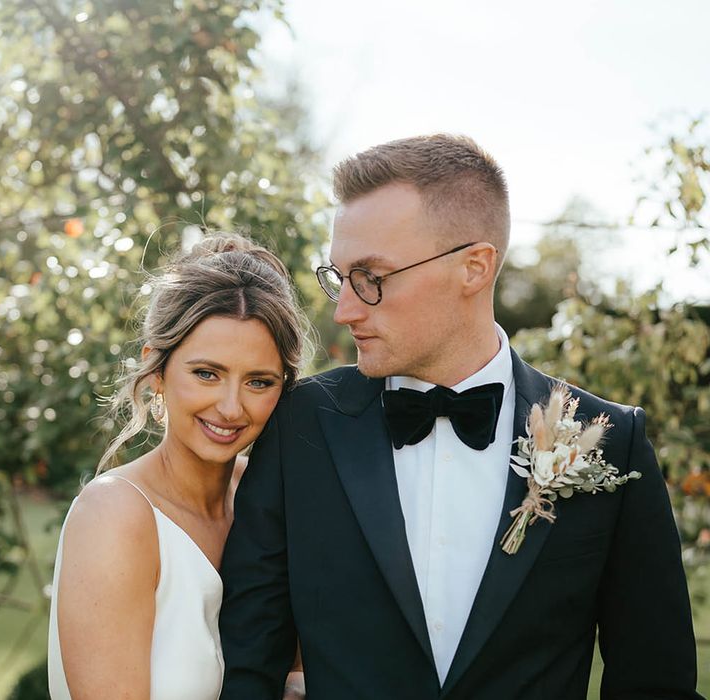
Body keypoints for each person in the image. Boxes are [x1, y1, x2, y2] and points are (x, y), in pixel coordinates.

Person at [218, 134, 702, 699]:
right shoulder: (300, 423)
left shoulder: (609, 442)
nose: (345, 309)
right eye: (339, 277)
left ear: (474, 268)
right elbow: (251, 665)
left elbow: (655, 682)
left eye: (371, 278)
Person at [47, 233, 310, 700]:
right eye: (206, 373)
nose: (231, 408)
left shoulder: (279, 500)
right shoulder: (115, 516)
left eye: (258, 381)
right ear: (157, 371)